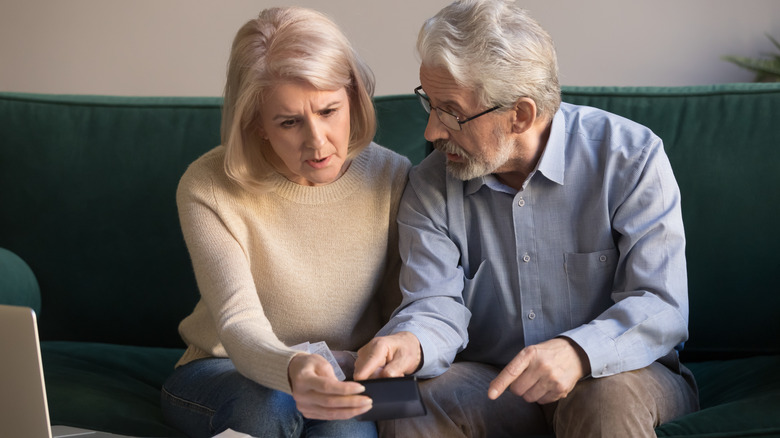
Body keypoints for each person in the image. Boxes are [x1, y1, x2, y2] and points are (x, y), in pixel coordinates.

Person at [353, 0, 699, 436]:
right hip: (495, 384)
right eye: (430, 104)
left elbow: (661, 305)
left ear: (520, 115)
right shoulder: (431, 185)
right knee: (413, 403)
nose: (432, 132)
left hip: (621, 374)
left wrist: (577, 352)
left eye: (452, 112)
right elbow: (433, 306)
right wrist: (411, 343)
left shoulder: (630, 159)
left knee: (603, 397)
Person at [160, 6, 411, 438]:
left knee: (346, 432)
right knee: (268, 403)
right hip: (223, 370)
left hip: (343, 376)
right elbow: (238, 323)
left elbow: (400, 310)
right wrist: (293, 368)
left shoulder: (392, 176)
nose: (317, 142)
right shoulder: (207, 186)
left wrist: (367, 370)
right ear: (255, 122)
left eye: (329, 110)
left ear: (353, 96)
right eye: (290, 122)